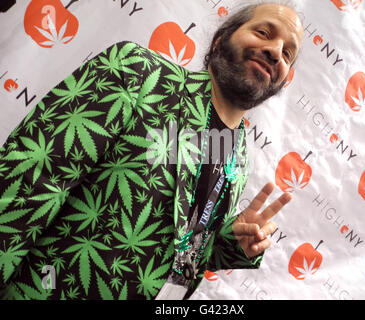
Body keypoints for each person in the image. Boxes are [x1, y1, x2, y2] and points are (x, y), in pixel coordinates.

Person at [0, 1, 303, 300]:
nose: (276, 51)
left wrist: (229, 244)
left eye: (288, 53)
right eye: (264, 33)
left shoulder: (238, 156)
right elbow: (31, 175)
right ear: (222, 39)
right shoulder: (140, 72)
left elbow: (179, 246)